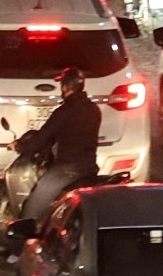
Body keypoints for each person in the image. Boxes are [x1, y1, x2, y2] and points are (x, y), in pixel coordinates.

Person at [15, 66, 102, 220]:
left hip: (67, 170)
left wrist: (19, 146)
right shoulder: (94, 109)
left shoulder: (63, 112)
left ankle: (26, 233)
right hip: (89, 168)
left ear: (66, 87)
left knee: (35, 201)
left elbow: (41, 138)